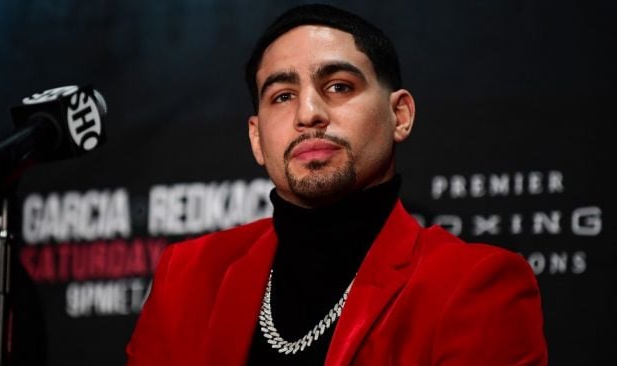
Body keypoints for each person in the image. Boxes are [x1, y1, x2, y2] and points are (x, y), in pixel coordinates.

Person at [126, 4, 547, 365]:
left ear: (399, 115)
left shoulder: (474, 285)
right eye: (282, 96)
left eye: (339, 86)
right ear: (256, 138)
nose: (308, 113)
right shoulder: (187, 277)